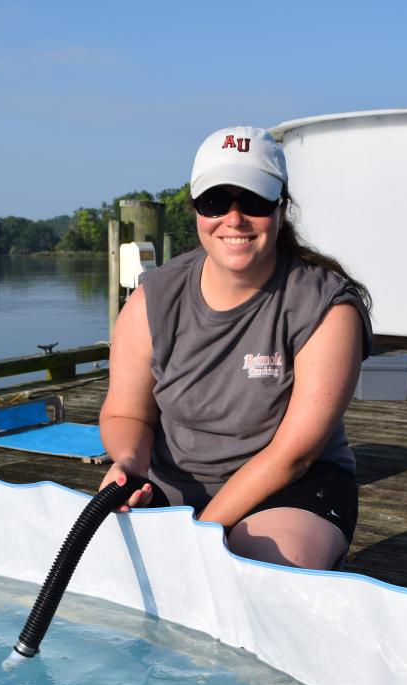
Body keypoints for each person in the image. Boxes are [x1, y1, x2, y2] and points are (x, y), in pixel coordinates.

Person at [99, 125, 372, 570]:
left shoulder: (326, 306)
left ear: (281, 208)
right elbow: (126, 413)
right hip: (170, 482)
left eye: (254, 201)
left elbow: (293, 455)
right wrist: (128, 464)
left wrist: (200, 534)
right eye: (214, 202)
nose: (234, 218)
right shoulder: (152, 300)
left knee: (251, 570)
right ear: (196, 212)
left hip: (289, 488)